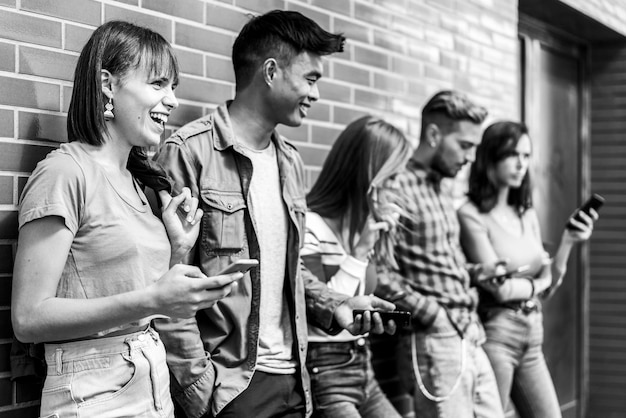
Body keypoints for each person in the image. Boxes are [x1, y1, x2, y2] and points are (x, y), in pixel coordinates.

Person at [154, 10, 395, 418]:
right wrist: (200, 388)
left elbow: (287, 268)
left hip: (294, 382)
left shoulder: (291, 162)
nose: (316, 95)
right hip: (231, 388)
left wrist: (334, 305)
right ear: (270, 71)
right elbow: (163, 280)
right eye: (311, 79)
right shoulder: (189, 152)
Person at [11, 21, 241, 418]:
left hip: (151, 380)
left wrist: (179, 250)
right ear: (107, 84)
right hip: (93, 392)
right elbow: (29, 318)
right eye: (157, 84)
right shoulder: (65, 172)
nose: (171, 100)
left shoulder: (140, 185)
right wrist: (152, 299)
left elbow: (139, 299)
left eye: (174, 89)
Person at [376, 90, 506, 418]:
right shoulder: (396, 187)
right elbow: (378, 272)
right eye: (465, 145)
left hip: (471, 331)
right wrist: (433, 314)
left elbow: (439, 260)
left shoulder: (441, 186)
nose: (472, 157)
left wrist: (477, 273)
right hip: (436, 338)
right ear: (434, 135)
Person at [457, 121, 596, 418]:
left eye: (527, 156)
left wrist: (568, 243)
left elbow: (551, 281)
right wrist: (537, 283)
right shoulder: (470, 215)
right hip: (498, 332)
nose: (522, 164)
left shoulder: (526, 213)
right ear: (490, 157)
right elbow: (502, 288)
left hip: (533, 333)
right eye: (513, 155)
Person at [301, 116, 412, 418]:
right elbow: (329, 308)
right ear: (366, 175)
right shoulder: (310, 226)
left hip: (363, 364)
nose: (396, 188)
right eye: (390, 178)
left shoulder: (363, 227)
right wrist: (360, 251)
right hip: (325, 369)